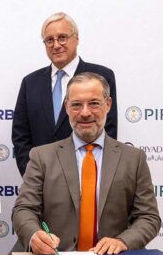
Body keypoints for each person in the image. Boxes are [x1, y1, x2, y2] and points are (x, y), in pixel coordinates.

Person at [12, 72, 159, 255]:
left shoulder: (134, 159)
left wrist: (122, 241)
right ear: (66, 107)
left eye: (94, 103)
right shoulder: (42, 157)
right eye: (76, 105)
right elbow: (23, 210)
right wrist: (34, 235)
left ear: (108, 105)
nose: (85, 112)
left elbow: (149, 217)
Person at [12, 12, 118, 176]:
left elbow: (108, 130)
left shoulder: (101, 76)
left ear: (76, 39)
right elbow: (21, 137)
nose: (56, 45)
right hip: (41, 181)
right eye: (49, 40)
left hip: (87, 178)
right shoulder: (30, 82)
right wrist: (34, 176)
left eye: (62, 37)